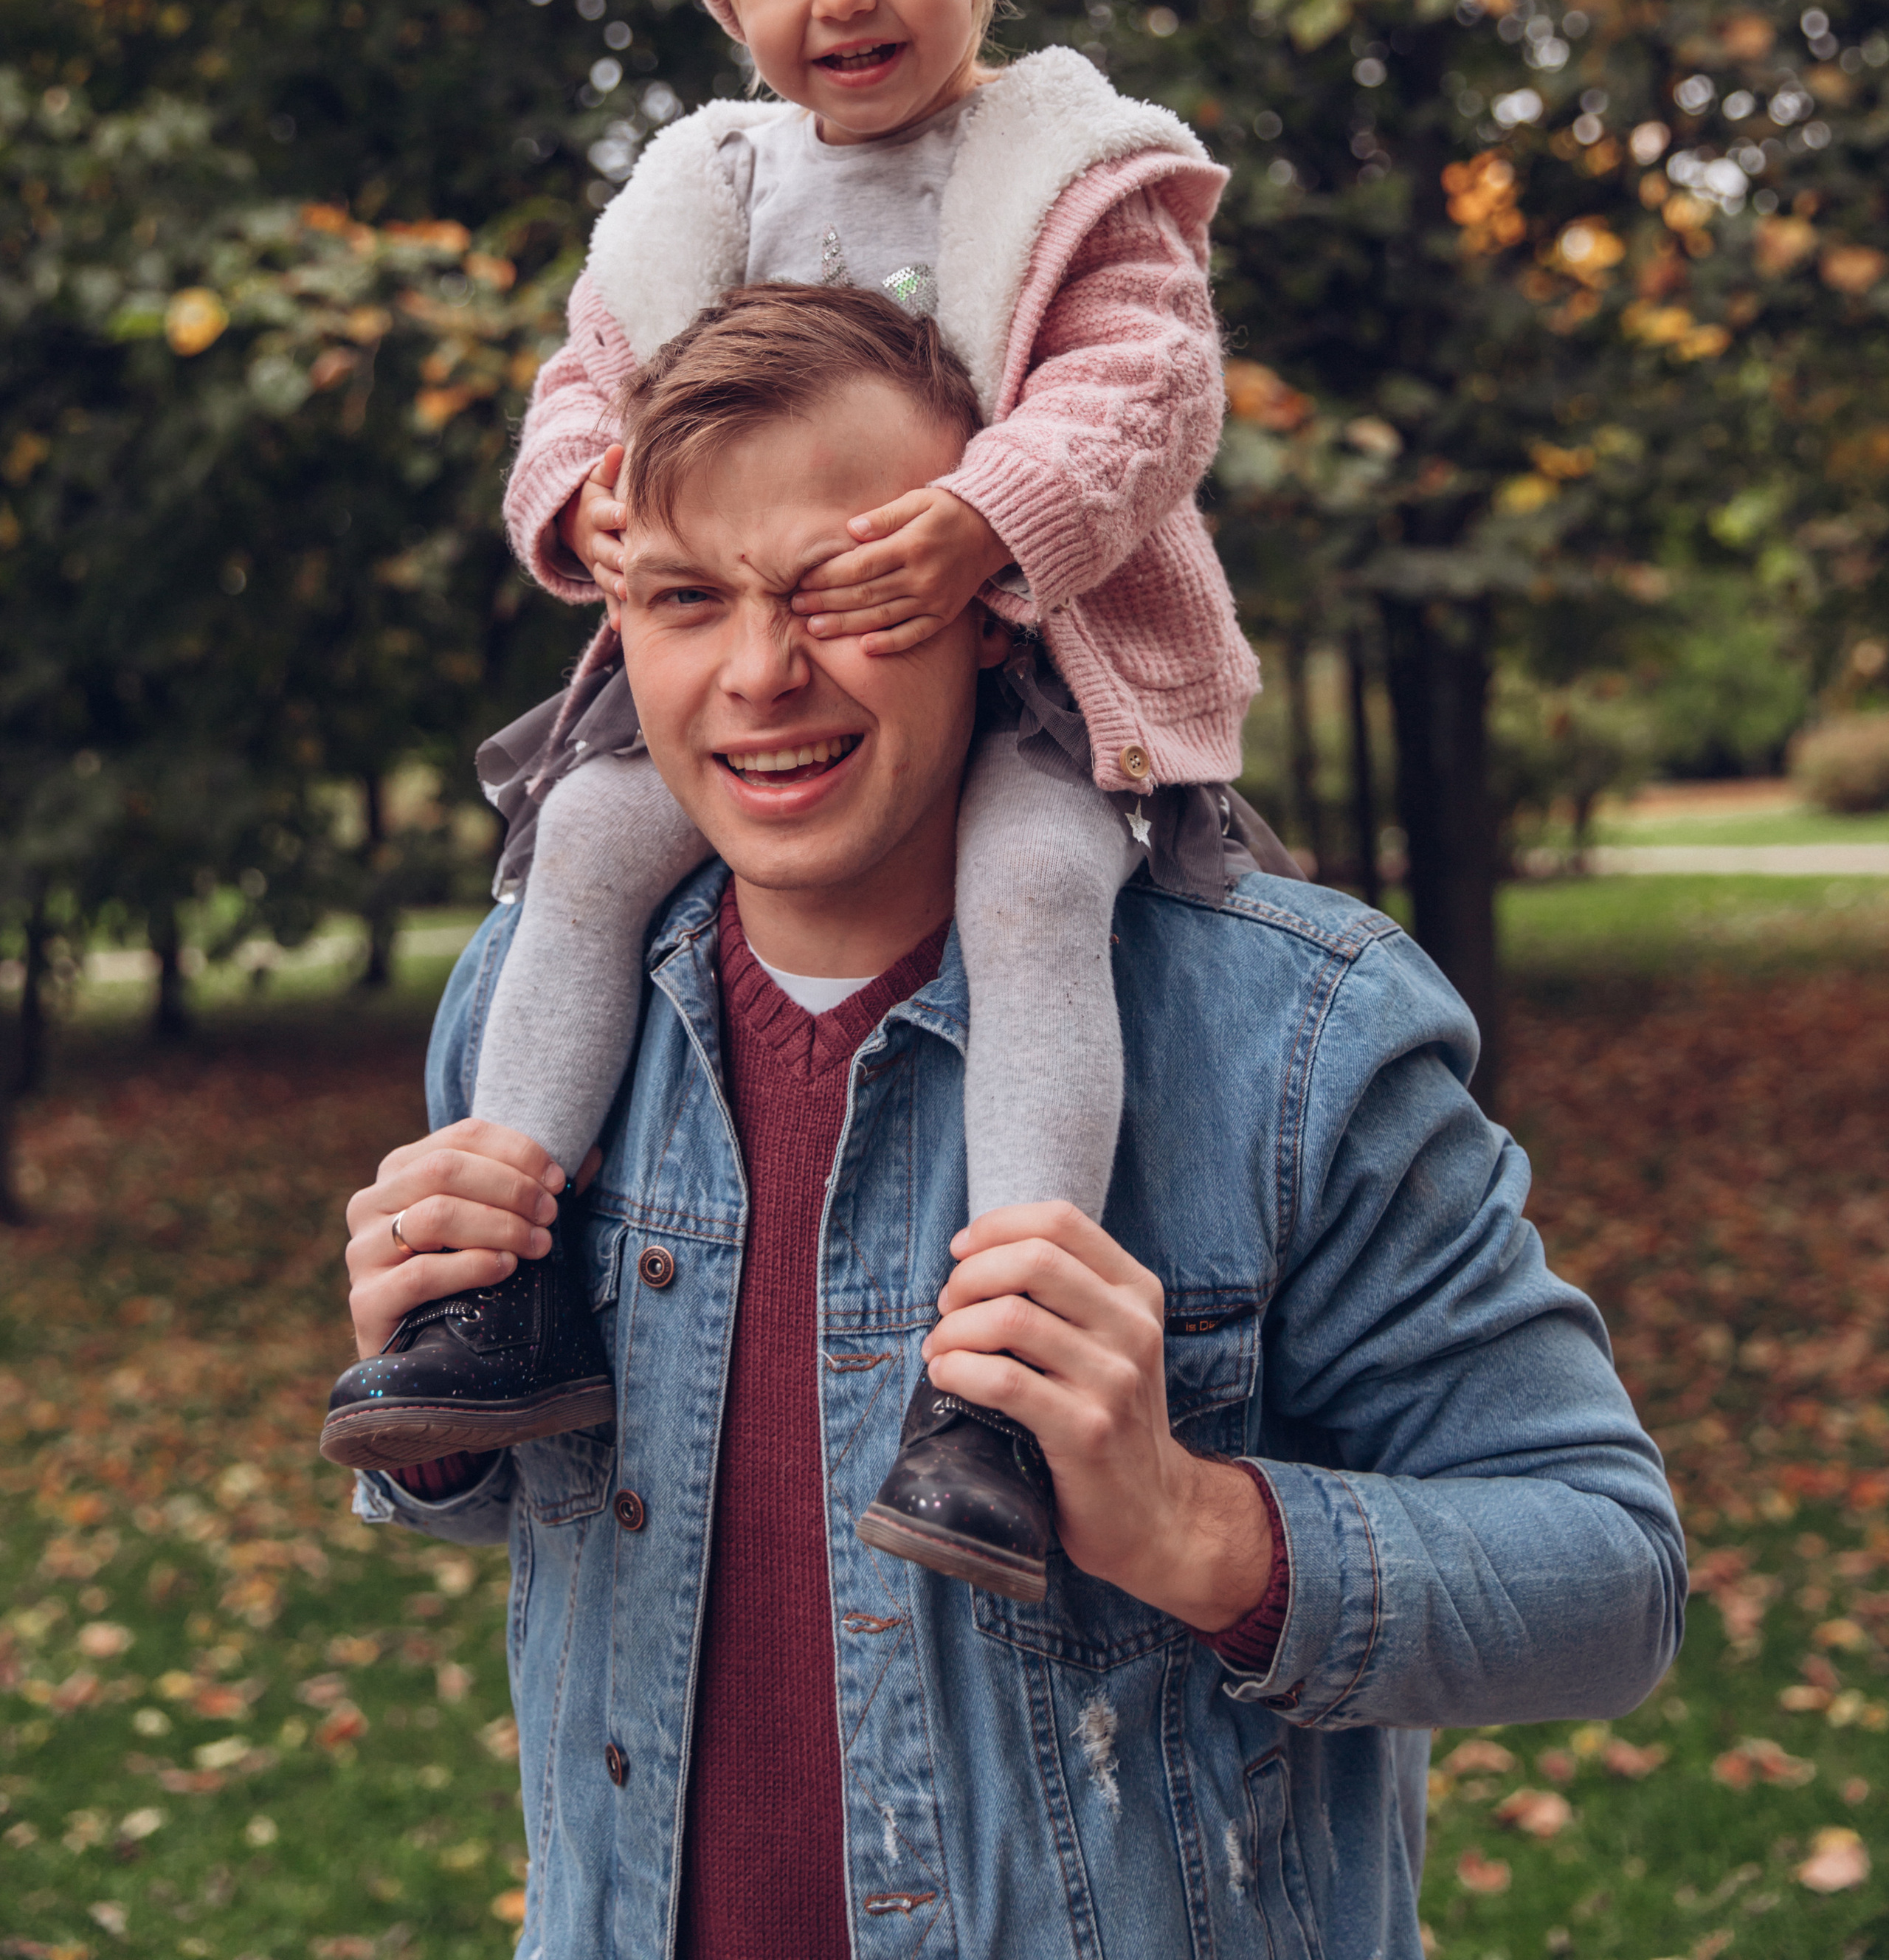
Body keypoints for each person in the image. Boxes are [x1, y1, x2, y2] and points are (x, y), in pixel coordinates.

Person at [333, 289, 1683, 1960]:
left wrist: (1192, 1526)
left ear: (990, 606)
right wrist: (443, 1405)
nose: (760, 675)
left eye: (843, 589)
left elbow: (1610, 1581)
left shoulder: (1292, 1035)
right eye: (687, 598)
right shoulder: (529, 1005)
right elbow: (549, 1518)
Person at [320, 0, 1275, 1606]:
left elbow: (1146, 388)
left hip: (1023, 673)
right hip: (787, 664)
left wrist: (986, 516)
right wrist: (578, 499)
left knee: (1032, 894)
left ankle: (1006, 1381)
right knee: (584, 839)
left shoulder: (1057, 161)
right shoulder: (706, 193)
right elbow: (591, 391)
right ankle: (495, 1293)